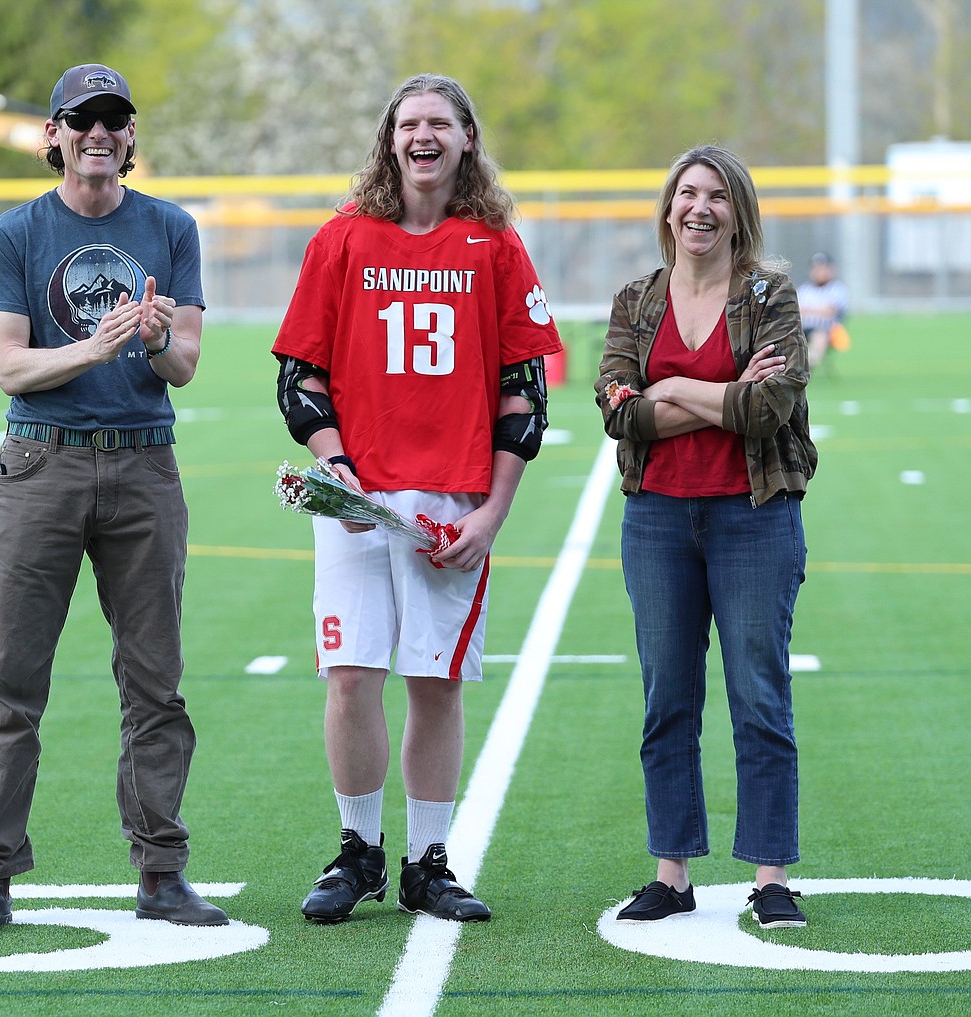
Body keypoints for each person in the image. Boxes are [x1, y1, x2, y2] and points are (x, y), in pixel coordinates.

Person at [272, 73, 562, 924]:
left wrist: (492, 512)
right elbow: (299, 375)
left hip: (449, 497)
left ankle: (427, 861)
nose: (424, 135)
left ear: (468, 138)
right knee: (352, 676)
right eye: (410, 123)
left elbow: (524, 394)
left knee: (435, 682)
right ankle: (357, 848)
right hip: (357, 498)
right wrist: (338, 467)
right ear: (389, 139)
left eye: (441, 122)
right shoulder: (344, 239)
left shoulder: (496, 245)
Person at [0, 63, 227, 934]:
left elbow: (184, 363)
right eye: (82, 118)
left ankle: (162, 870)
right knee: (13, 683)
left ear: (131, 137)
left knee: (155, 684)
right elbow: (10, 366)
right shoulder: (17, 233)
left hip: (144, 466)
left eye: (114, 118)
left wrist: (150, 340)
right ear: (54, 136)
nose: (98, 133)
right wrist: (97, 347)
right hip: (42, 466)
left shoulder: (171, 228)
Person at [594, 145, 818, 930]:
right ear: (667, 209)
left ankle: (770, 874)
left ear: (738, 212)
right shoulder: (636, 301)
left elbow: (771, 407)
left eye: (717, 196)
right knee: (668, 699)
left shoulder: (770, 295)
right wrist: (724, 391)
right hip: (656, 516)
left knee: (760, 697)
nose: (700, 207)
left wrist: (675, 387)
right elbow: (619, 409)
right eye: (687, 193)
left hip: (753, 515)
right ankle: (672, 872)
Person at [797, 251, 850, 370]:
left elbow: (830, 311)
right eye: (816, 268)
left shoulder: (837, 289)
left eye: (823, 268)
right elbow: (796, 311)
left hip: (827, 330)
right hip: (802, 329)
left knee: (819, 336)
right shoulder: (804, 290)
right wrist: (817, 310)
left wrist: (808, 310)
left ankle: (805, 367)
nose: (819, 272)